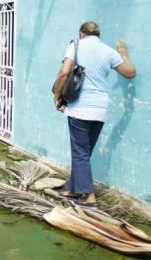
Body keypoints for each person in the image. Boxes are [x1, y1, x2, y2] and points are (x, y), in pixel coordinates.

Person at [52, 21, 136, 209]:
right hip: (100, 109)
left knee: (80, 152)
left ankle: (89, 197)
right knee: (84, 151)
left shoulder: (75, 45)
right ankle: (73, 190)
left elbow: (65, 73)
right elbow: (130, 72)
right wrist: (123, 54)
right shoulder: (108, 51)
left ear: (82, 33)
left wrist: (57, 96)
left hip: (80, 108)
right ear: (98, 35)